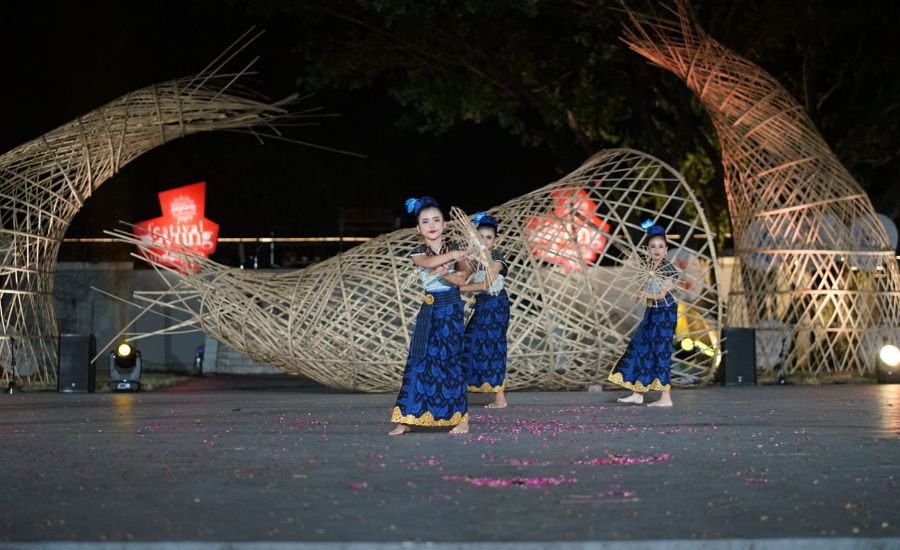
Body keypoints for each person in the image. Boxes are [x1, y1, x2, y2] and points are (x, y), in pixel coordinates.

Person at [389, 196, 471, 435]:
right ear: (418, 228)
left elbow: (461, 280)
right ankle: (406, 418)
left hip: (452, 310)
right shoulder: (418, 252)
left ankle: (460, 418)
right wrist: (454, 256)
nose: (432, 224)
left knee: (450, 361)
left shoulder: (456, 250)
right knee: (419, 360)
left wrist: (448, 274)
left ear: (444, 223)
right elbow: (429, 262)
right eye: (426, 221)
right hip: (430, 310)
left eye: (436, 219)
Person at [608, 220, 678, 407]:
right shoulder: (651, 268)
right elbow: (649, 284)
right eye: (653, 246)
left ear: (666, 248)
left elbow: (662, 294)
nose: (656, 249)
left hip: (665, 314)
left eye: (660, 246)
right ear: (647, 249)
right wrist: (642, 288)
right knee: (641, 348)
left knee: (661, 352)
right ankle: (638, 392)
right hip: (652, 313)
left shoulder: (668, 269)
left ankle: (666, 398)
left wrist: (645, 293)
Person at [451, 212, 510, 408]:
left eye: (488, 237)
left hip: (496, 306)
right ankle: (459, 390)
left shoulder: (497, 258)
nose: (484, 241)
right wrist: (461, 255)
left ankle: (500, 399)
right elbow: (461, 276)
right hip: (482, 306)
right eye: (480, 237)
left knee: (493, 347)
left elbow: (485, 285)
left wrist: (457, 289)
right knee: (469, 342)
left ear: (496, 240)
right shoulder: (475, 259)